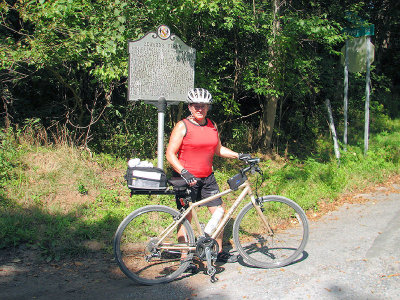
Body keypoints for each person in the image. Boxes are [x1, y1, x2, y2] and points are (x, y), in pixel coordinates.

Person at [166, 88, 250, 264]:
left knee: (219, 213)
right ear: (189, 107)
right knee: (186, 218)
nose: (199, 109)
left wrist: (239, 155)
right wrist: (184, 172)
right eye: (196, 105)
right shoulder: (182, 126)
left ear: (208, 107)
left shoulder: (212, 125)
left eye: (203, 106)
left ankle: (217, 253)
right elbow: (170, 154)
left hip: (207, 178)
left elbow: (218, 149)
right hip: (186, 179)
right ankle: (185, 259)